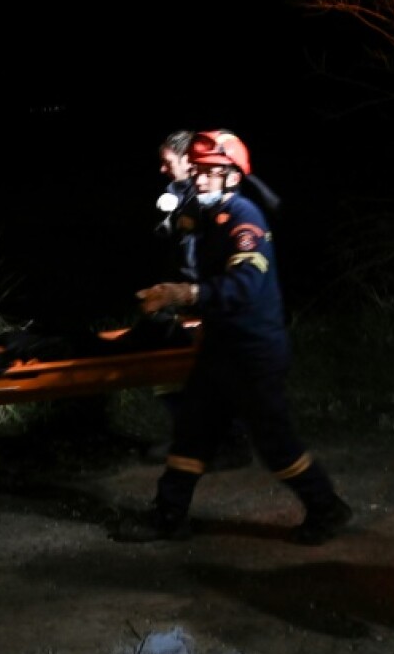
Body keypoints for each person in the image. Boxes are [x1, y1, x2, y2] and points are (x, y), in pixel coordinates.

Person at [114, 130, 353, 545]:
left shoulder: (245, 219)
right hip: (222, 349)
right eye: (198, 171)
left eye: (208, 172)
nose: (199, 178)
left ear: (231, 176)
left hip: (253, 354)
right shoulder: (211, 215)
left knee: (276, 445)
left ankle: (327, 508)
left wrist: (186, 294)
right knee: (192, 430)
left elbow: (243, 286)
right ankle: (169, 515)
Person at [140, 130, 253, 470]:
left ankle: (228, 444)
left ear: (187, 161)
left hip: (206, 298)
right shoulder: (178, 195)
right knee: (166, 372)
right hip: (185, 296)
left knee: (213, 373)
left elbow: (213, 255)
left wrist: (196, 294)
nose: (162, 169)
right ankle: (189, 438)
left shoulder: (217, 202)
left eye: (167, 163)